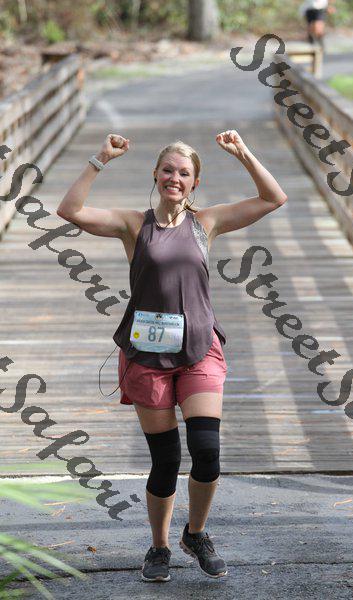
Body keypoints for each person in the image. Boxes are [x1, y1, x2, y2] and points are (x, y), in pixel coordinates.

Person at [56, 131, 287, 583]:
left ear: (195, 182)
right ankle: (159, 546)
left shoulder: (206, 223)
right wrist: (100, 159)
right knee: (165, 460)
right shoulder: (133, 225)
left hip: (199, 349)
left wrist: (243, 153)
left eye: (184, 173)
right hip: (147, 355)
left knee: (207, 452)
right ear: (155, 175)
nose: (174, 178)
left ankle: (195, 534)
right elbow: (70, 211)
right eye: (168, 170)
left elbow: (273, 198)